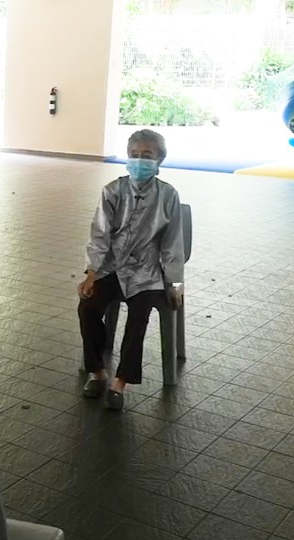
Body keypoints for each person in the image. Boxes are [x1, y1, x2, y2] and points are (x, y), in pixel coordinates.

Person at [77, 130, 185, 410]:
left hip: (147, 272)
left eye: (147, 155)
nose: (139, 161)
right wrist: (91, 273)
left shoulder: (168, 195)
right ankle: (98, 371)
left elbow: (172, 243)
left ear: (159, 159)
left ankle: (120, 383)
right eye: (134, 155)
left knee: (139, 316)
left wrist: (174, 283)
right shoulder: (113, 190)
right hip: (111, 267)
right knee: (88, 306)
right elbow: (99, 234)